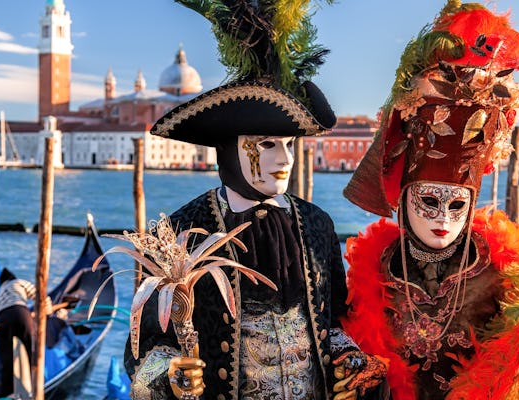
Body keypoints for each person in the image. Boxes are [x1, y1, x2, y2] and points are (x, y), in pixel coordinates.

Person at [339, 1, 519, 399]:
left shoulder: (506, 273)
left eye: (457, 204)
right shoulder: (374, 273)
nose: (443, 216)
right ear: (404, 199)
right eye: (428, 200)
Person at [127, 1, 386, 399]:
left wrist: (350, 358)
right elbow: (142, 350)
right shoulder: (179, 232)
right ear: (230, 149)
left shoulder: (317, 224)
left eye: (288, 144)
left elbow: (332, 320)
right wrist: (171, 377)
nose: (283, 159)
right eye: (266, 145)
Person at [0, 270, 68, 397]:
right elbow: (41, 297)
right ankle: (34, 385)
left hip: (2, 320)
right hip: (20, 313)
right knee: (30, 350)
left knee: (7, 358)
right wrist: (48, 314)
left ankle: (8, 392)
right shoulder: (17, 282)